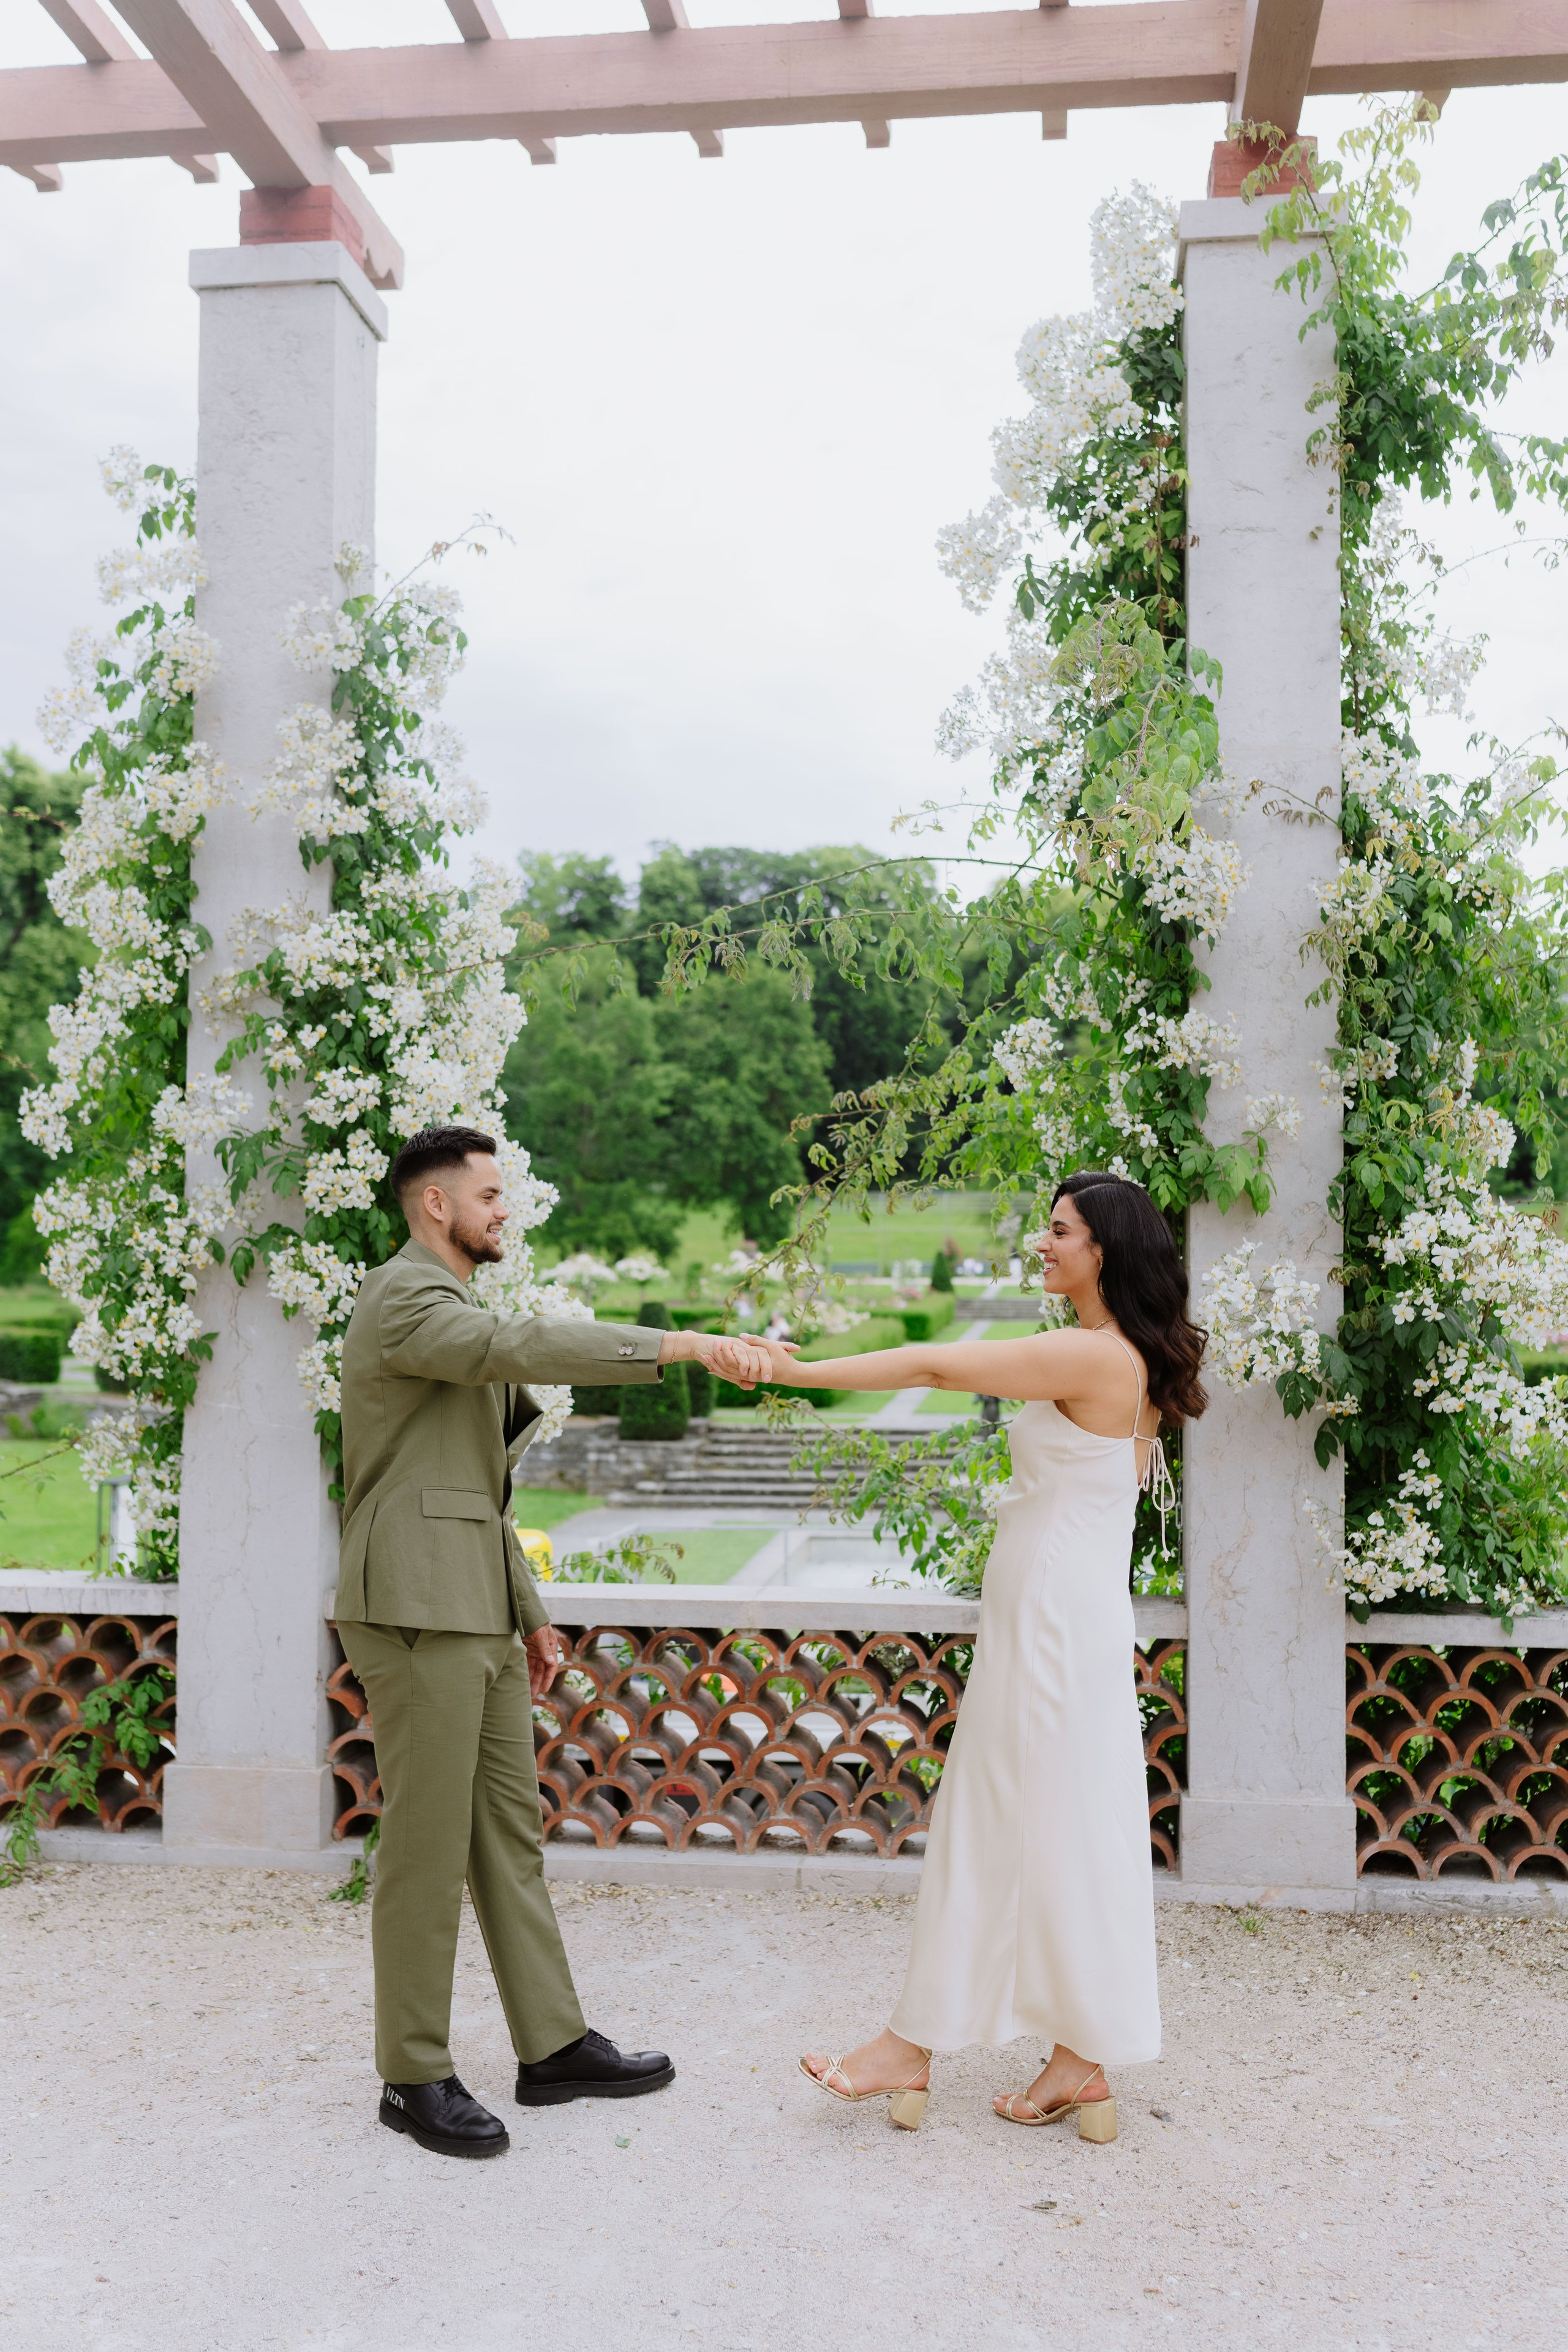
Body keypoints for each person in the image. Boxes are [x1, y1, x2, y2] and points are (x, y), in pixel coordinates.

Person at [741, 1171, 1206, 2143]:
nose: (1042, 1243)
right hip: (1061, 1613)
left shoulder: (1095, 1356)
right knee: (1067, 1822)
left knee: (997, 1820)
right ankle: (1079, 2063)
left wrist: (798, 1374)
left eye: (1059, 1230)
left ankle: (912, 2045)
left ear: (1103, 1251)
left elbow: (942, 1369)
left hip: (1051, 1620)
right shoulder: (1121, 1356)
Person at [335, 1123, 769, 2159]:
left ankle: (553, 2045)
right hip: (415, 1607)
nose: (503, 1211)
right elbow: (512, 1346)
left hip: (473, 1603)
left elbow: (474, 1494)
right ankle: (413, 2073)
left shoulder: (451, 1307)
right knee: (428, 1852)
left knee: (508, 1838)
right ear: (435, 1203)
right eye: (489, 1194)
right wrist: (680, 1346)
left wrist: (526, 1613)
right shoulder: (405, 1296)